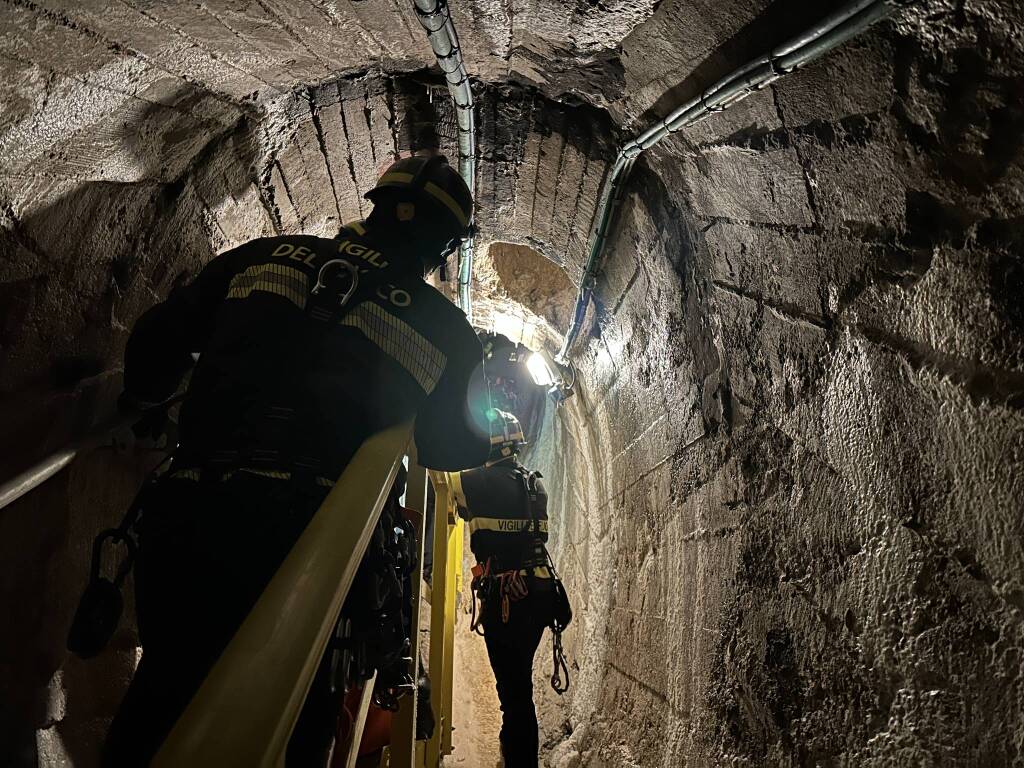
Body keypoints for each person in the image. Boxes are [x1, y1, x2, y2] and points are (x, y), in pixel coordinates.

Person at [102, 153, 490, 767]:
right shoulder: (446, 329)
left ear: (375, 207)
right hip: (311, 544)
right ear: (445, 247)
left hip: (190, 514)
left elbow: (155, 345)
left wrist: (144, 403)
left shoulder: (262, 256)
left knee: (162, 697)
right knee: (293, 724)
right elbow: (456, 447)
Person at [452, 410, 555, 768]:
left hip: (504, 601)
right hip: (537, 595)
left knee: (513, 694)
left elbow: (451, 491)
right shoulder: (534, 484)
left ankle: (519, 759)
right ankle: (512, 750)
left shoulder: (472, 481)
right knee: (518, 686)